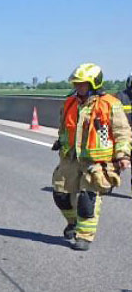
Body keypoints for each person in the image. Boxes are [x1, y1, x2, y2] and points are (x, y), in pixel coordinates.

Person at [52, 63, 131, 251]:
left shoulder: (110, 104)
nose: (78, 87)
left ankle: (85, 236)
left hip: (97, 162)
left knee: (88, 200)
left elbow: (122, 132)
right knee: (60, 195)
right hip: (71, 158)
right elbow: (65, 127)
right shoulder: (70, 102)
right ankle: (73, 223)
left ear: (94, 84)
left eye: (83, 84)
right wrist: (60, 141)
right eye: (77, 83)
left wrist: (123, 155)